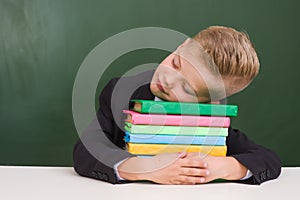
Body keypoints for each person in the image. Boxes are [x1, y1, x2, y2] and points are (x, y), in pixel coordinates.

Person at [73, 26, 281, 185]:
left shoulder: (209, 120)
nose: (169, 80)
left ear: (208, 104)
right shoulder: (121, 92)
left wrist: (220, 167)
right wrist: (145, 167)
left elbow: (268, 159)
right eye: (176, 63)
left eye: (188, 89)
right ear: (181, 46)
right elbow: (85, 150)